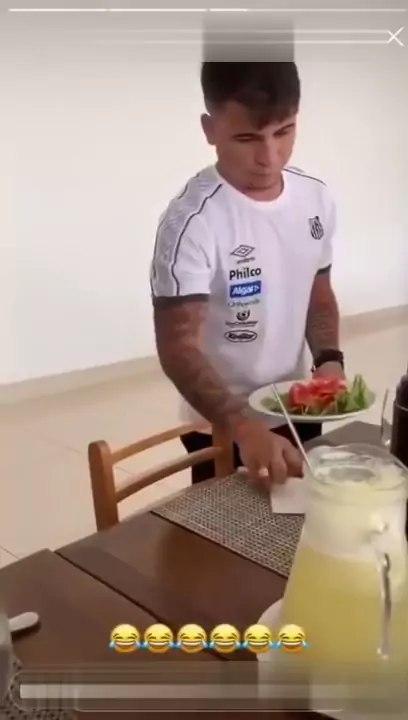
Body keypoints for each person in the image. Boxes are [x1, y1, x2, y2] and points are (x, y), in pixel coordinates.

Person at [150, 61, 344, 487]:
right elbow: (178, 346)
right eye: (247, 138)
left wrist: (329, 360)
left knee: (306, 518)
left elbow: (317, 293)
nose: (269, 157)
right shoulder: (191, 222)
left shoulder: (315, 198)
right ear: (210, 129)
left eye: (284, 132)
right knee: (222, 528)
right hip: (221, 428)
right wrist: (242, 426)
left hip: (297, 408)